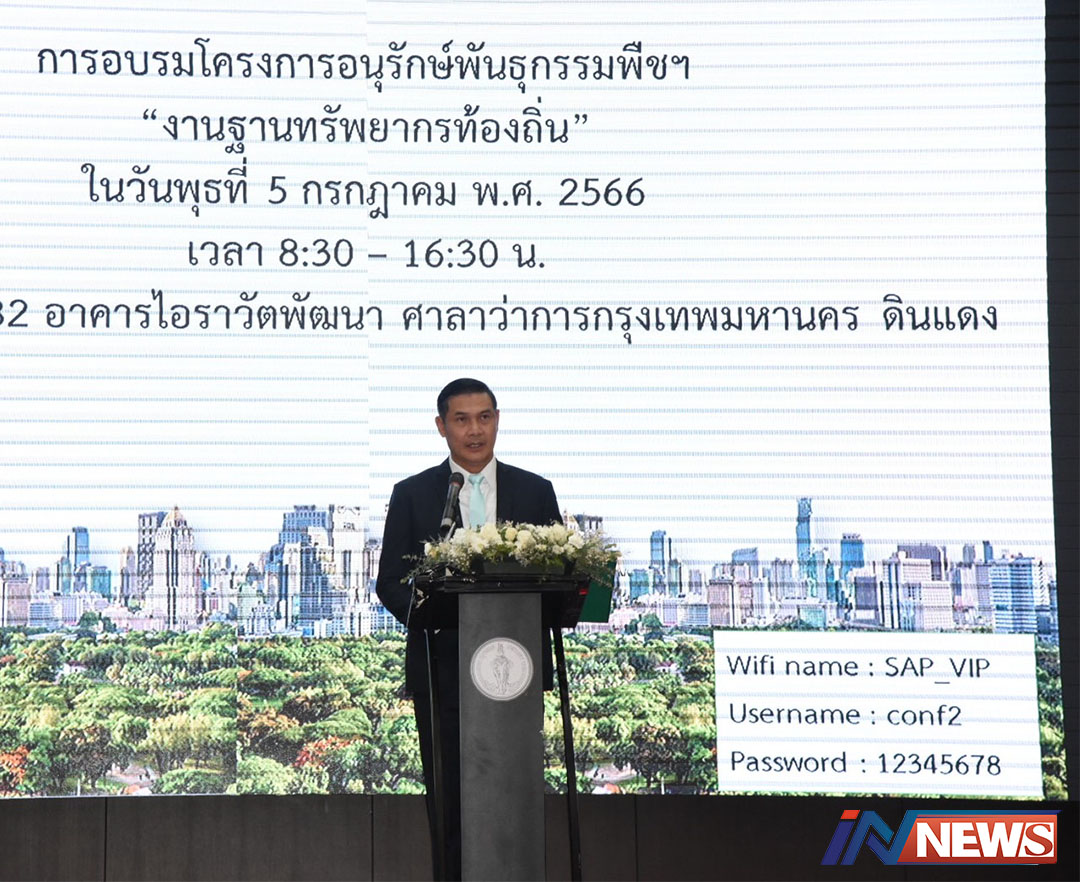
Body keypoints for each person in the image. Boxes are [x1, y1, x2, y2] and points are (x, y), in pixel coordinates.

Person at [375, 378, 562, 881]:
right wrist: (432, 618)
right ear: (442, 427)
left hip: (516, 675)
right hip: (442, 672)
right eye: (461, 420)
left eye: (484, 417)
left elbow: (558, 580)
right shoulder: (413, 494)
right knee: (451, 802)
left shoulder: (535, 491)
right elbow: (389, 582)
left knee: (516, 797)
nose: (475, 430)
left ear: (497, 420)